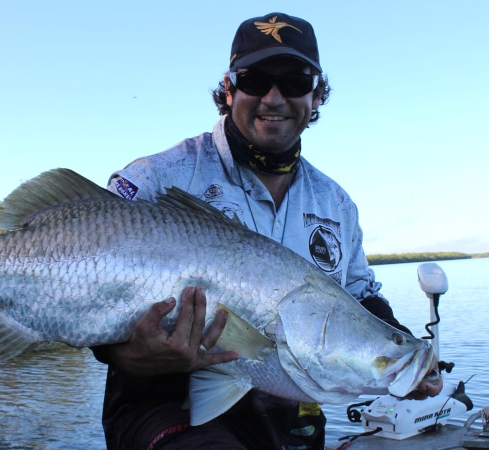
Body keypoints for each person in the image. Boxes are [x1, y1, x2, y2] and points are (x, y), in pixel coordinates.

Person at [91, 12, 442, 449]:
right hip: (162, 400)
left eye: (295, 81)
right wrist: (119, 352)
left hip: (291, 404)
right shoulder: (156, 178)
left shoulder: (335, 203)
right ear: (228, 88)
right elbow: (79, 271)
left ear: (316, 95)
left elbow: (359, 295)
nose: (274, 98)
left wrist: (402, 350)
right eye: (255, 79)